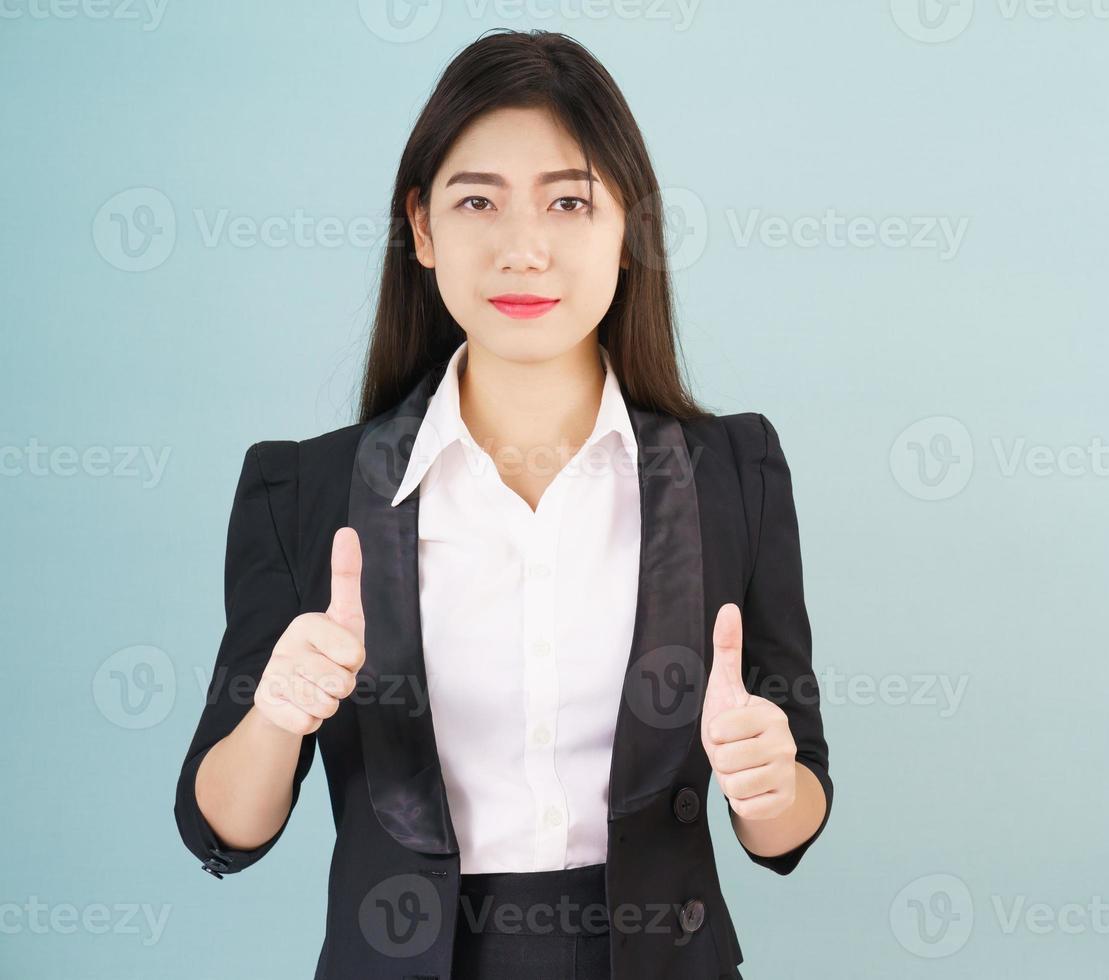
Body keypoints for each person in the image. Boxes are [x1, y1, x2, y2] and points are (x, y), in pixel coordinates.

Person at [173, 28, 834, 980]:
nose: (524, 248)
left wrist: (768, 781)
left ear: (628, 230)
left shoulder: (735, 472)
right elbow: (221, 828)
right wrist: (277, 713)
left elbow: (787, 828)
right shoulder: (304, 491)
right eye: (478, 200)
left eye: (570, 201)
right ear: (425, 229)